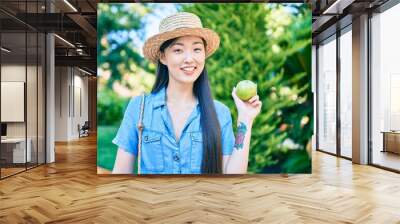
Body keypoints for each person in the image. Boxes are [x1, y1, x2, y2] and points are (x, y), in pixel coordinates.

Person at [112, 12, 262, 174]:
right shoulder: (139, 108)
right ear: (163, 57)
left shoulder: (220, 113)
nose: (189, 58)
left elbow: (233, 179)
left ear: (204, 54)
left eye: (197, 49)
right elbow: (121, 174)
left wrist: (245, 119)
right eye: (178, 50)